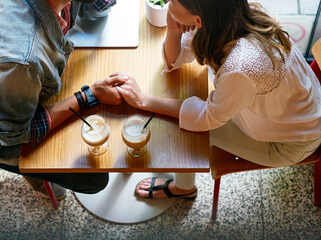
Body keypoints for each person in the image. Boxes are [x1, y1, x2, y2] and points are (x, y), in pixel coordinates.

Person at [114, 0, 321, 199]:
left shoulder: (240, 68)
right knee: (181, 107)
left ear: (198, 20)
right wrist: (174, 30)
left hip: (288, 142)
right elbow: (175, 61)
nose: (168, 3)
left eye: (173, 1)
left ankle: (183, 188)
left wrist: (144, 101)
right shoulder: (226, 17)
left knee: (178, 129)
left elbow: (207, 118)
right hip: (293, 111)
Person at [0, 0, 124, 200]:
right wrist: (88, 95)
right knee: (94, 178)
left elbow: (94, 8)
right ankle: (40, 182)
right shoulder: (21, 62)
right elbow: (13, 133)